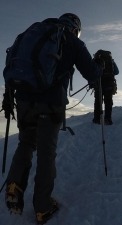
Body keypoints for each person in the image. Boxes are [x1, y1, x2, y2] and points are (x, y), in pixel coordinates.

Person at [1, 13, 101, 224]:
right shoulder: (72, 41)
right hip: (51, 103)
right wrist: (99, 73)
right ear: (76, 27)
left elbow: (13, 64)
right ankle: (42, 207)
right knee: (46, 153)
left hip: (24, 100)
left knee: (26, 142)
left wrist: (8, 98)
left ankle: (14, 187)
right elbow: (92, 73)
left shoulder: (31, 33)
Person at [92, 50, 119, 125]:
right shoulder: (111, 61)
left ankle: (97, 119)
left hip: (98, 84)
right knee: (108, 102)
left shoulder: (96, 60)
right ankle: (107, 119)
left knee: (98, 102)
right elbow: (116, 72)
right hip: (109, 84)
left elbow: (91, 72)